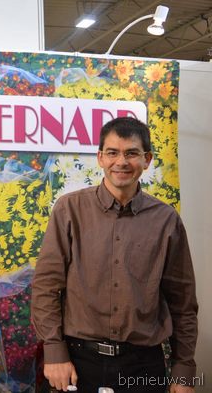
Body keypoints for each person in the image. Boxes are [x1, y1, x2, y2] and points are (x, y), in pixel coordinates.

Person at [32, 117, 198, 393]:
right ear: (100, 157)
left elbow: (182, 301)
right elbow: (46, 286)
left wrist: (184, 370)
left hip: (143, 365)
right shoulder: (69, 210)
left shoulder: (166, 220)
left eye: (131, 153)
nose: (121, 162)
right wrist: (54, 349)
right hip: (76, 362)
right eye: (112, 152)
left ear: (147, 159)